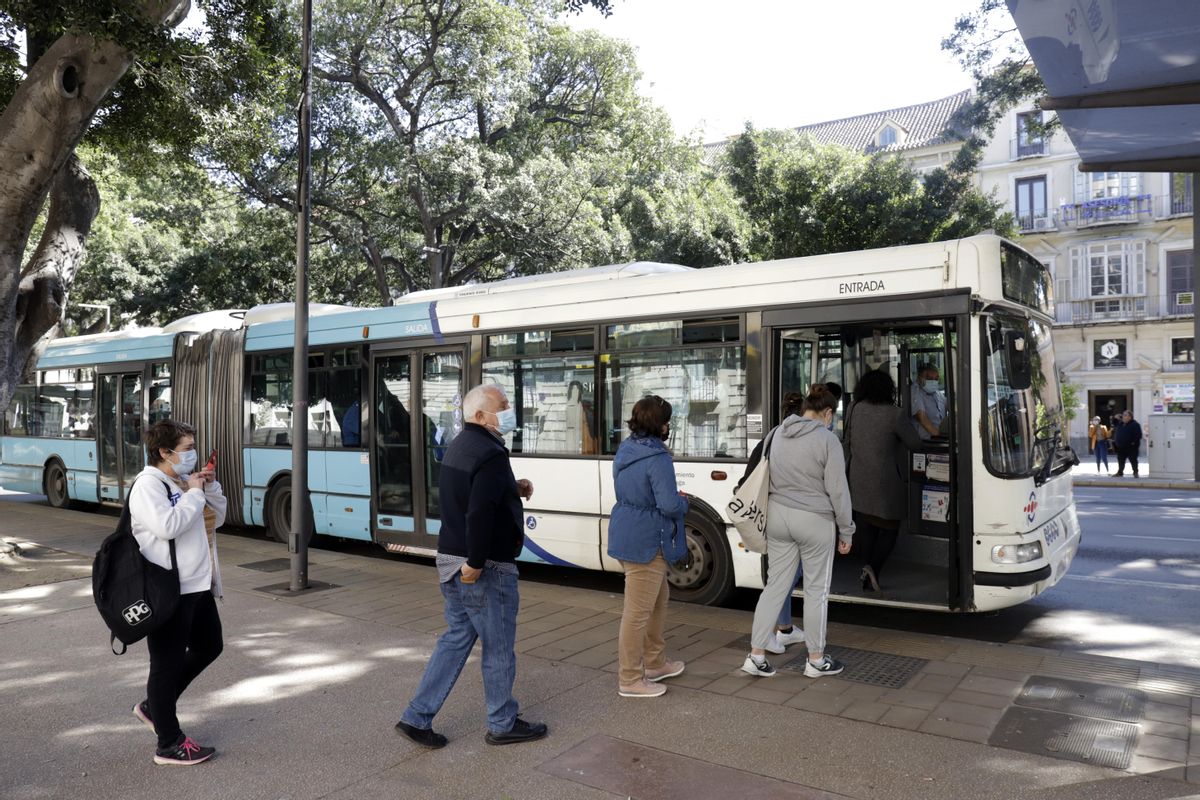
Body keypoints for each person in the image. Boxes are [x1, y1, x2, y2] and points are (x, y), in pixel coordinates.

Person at [396, 385, 547, 748]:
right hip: (484, 567)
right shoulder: (491, 453)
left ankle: (416, 717)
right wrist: (477, 563)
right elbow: (478, 513)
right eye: (503, 406)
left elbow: (473, 494)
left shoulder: (462, 445)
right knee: (498, 646)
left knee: (456, 638)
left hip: (449, 559)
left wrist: (514, 487)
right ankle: (502, 723)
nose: (510, 410)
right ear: (480, 415)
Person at [129, 420, 227, 766]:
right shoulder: (147, 485)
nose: (192, 454)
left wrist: (208, 489)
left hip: (198, 583)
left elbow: (219, 518)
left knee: (210, 645)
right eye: (186, 448)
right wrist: (194, 494)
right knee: (165, 665)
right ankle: (168, 743)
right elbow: (166, 526)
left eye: (192, 447)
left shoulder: (178, 481)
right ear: (164, 452)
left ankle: (153, 708)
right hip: (168, 589)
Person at [742, 384, 855, 679]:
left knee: (775, 586)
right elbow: (838, 491)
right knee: (816, 591)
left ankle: (755, 656)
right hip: (815, 522)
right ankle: (816, 659)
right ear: (827, 413)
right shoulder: (827, 441)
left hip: (778, 519)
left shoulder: (777, 433)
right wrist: (847, 530)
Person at [608, 395, 690, 698]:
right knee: (638, 612)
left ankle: (655, 662)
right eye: (667, 419)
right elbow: (668, 504)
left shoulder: (627, 449)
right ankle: (630, 679)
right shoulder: (658, 458)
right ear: (662, 424)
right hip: (647, 539)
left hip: (626, 529)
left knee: (657, 601)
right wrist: (684, 502)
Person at [843, 370, 923, 593]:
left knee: (867, 527)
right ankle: (873, 569)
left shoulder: (853, 409)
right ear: (889, 389)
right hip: (885, 484)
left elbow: (847, 442)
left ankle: (867, 573)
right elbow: (915, 444)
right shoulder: (894, 414)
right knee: (889, 530)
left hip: (857, 480)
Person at [910, 363, 946, 440]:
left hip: (940, 441)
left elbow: (950, 406)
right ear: (919, 378)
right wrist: (939, 437)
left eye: (936, 379)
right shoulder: (915, 391)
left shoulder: (937, 393)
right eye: (929, 378)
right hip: (926, 444)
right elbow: (922, 418)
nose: (933, 381)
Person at [563, 380, 597, 454]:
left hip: (584, 438)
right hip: (571, 440)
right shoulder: (565, 408)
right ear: (570, 392)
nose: (575, 393)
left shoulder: (584, 408)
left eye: (577, 390)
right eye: (573, 390)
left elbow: (591, 425)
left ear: (580, 392)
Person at [1113, 409, 1142, 478]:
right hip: (1121, 447)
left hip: (1131, 447)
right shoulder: (1121, 424)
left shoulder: (1135, 424)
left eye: (1125, 415)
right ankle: (1120, 472)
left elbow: (1138, 435)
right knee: (1120, 460)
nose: (1123, 417)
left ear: (1130, 417)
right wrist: (1115, 417)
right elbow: (1114, 423)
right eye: (1123, 415)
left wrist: (1133, 443)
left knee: (1133, 460)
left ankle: (1135, 472)